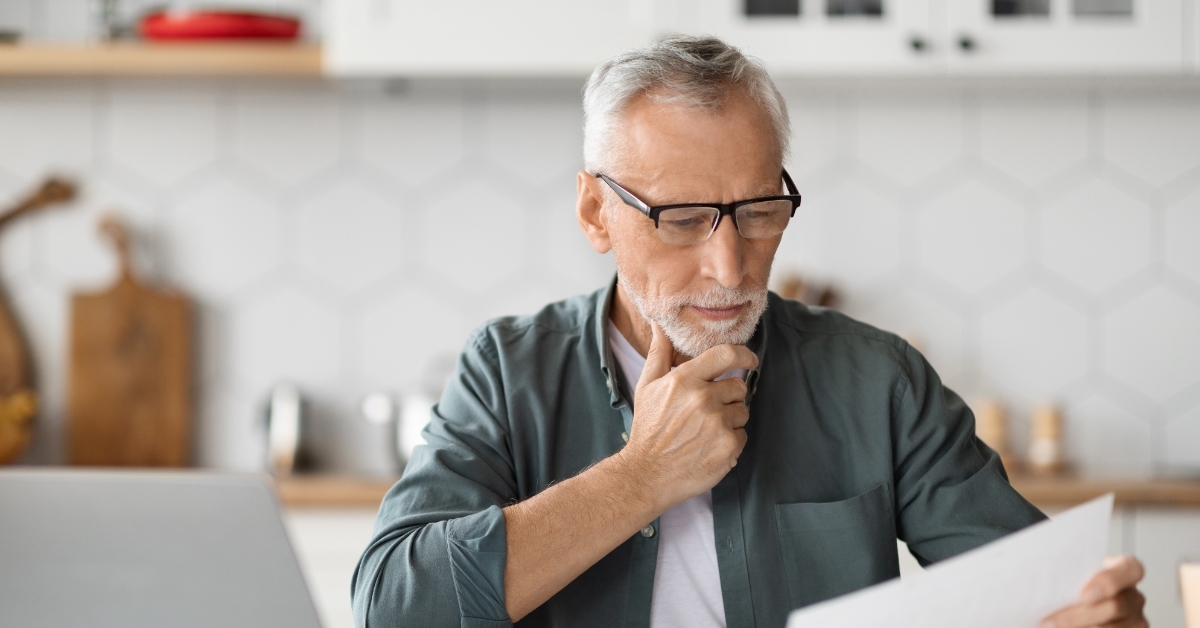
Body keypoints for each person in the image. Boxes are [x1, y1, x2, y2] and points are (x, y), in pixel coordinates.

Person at [351, 35, 1147, 628]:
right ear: (597, 212)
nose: (731, 268)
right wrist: (640, 480)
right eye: (683, 219)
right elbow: (392, 606)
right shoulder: (509, 370)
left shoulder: (878, 381)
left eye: (760, 213)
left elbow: (1040, 596)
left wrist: (1090, 612)